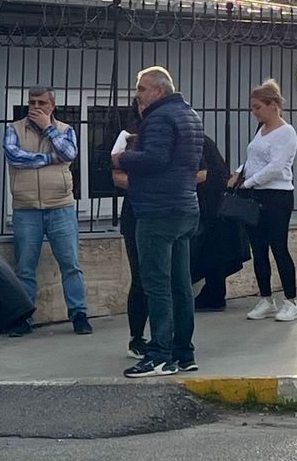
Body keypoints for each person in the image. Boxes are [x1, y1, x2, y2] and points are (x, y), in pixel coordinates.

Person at [112, 66, 204, 378]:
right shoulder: (188, 114)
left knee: (156, 284)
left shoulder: (160, 117)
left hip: (157, 211)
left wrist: (122, 158)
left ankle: (160, 355)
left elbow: (156, 158)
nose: (137, 95)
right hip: (184, 207)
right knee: (181, 285)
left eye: (141, 89)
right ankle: (183, 352)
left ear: (159, 90)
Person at [3, 86, 91, 336]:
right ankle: (24, 318)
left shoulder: (64, 130)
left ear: (52, 106)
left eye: (42, 103)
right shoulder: (14, 129)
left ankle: (79, 314)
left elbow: (69, 153)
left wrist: (48, 129)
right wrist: (50, 158)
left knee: (70, 264)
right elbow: (14, 156)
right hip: (26, 207)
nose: (36, 107)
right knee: (25, 267)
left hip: (60, 206)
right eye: (32, 102)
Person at [230, 80, 297, 323]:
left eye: (258, 107)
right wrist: (238, 173)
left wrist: (249, 182)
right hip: (255, 194)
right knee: (258, 249)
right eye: (252, 107)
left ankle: (291, 300)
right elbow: (254, 159)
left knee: (278, 247)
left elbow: (276, 166)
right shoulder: (261, 129)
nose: (254, 112)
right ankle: (266, 299)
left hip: (276, 195)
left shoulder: (286, 132)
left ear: (273, 105)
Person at [191, 135, 249, 312]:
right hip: (217, 202)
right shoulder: (201, 140)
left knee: (212, 251)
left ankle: (213, 296)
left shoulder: (194, 141)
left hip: (211, 203)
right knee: (216, 253)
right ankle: (214, 295)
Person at [111, 99, 149, 358]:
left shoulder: (171, 130)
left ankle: (166, 336)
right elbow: (116, 175)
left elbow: (199, 171)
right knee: (140, 278)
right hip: (135, 212)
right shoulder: (128, 135)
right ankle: (137, 337)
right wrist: (144, 185)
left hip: (165, 212)